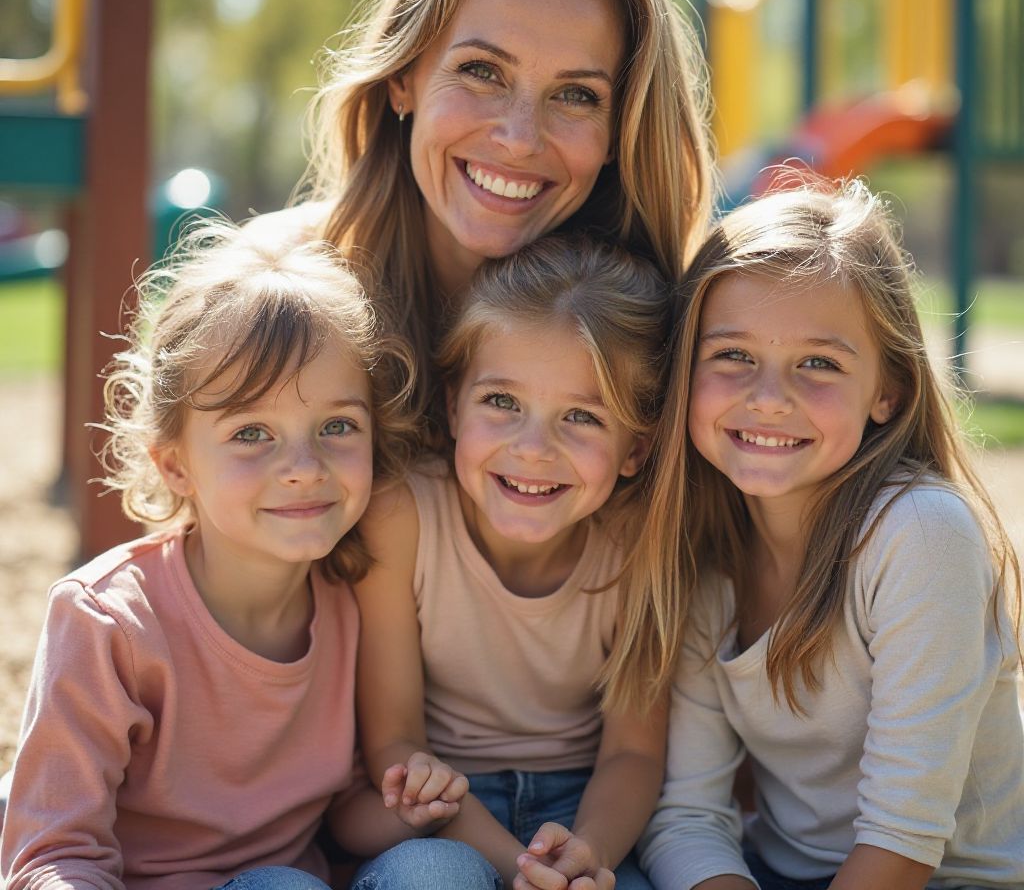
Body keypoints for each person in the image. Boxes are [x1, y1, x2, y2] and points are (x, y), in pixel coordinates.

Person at [0, 223, 472, 890]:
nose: (304, 467)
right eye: (252, 433)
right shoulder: (108, 623)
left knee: (444, 868)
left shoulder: (350, 600)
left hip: (298, 880)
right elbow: (52, 855)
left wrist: (404, 808)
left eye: (337, 426)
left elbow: (341, 815)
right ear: (175, 464)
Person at [637, 180, 1024, 890]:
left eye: (819, 363)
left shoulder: (920, 535)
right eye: (732, 355)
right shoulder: (704, 558)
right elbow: (688, 816)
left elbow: (902, 839)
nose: (769, 398)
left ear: (888, 392)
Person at [249, 0, 713, 438]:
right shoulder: (258, 301)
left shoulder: (687, 352)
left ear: (622, 133)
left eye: (576, 95)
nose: (519, 138)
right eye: (481, 71)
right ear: (402, 78)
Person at [351, 235, 679, 890]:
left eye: (581, 416)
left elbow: (633, 753)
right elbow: (393, 740)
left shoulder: (640, 540)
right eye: (502, 402)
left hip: (589, 811)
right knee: (430, 880)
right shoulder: (403, 516)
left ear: (636, 449)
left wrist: (587, 854)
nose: (533, 449)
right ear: (454, 405)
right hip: (442, 805)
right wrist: (523, 873)